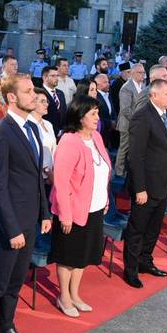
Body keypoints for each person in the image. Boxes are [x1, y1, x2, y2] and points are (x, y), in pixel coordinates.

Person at [0, 74, 52, 333]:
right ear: (11, 97)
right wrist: (12, 229)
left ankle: (5, 327)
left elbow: (36, 177)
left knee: (17, 280)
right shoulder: (0, 133)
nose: (35, 95)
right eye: (28, 91)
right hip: (9, 226)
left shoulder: (32, 128)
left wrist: (44, 213)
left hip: (30, 220)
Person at [49, 96, 111, 315]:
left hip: (94, 208)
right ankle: (64, 297)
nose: (97, 117)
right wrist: (65, 215)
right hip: (73, 211)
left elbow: (103, 170)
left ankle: (75, 294)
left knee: (83, 256)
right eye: (92, 113)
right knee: (69, 256)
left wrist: (105, 198)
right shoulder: (69, 141)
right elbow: (61, 182)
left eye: (97, 113)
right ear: (80, 116)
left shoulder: (97, 137)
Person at [123, 79, 167, 288]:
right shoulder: (142, 117)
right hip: (146, 187)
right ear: (154, 95)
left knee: (154, 229)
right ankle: (131, 270)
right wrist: (140, 188)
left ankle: (145, 261)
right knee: (137, 230)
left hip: (163, 185)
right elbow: (136, 157)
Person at [30, 89, 57, 184]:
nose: (46, 104)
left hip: (53, 174)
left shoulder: (48, 124)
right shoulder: (28, 125)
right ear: (32, 103)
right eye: (42, 101)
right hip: (39, 178)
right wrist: (49, 173)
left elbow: (54, 149)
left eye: (46, 101)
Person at [40, 65, 67, 136]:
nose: (56, 78)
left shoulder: (60, 93)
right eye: (53, 76)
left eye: (57, 76)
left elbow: (64, 113)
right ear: (44, 78)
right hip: (47, 134)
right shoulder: (39, 93)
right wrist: (56, 131)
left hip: (63, 134)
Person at [94, 72, 117, 147]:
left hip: (110, 132)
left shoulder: (108, 94)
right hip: (101, 131)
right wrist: (110, 123)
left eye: (108, 82)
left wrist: (115, 120)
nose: (108, 84)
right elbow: (98, 116)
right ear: (97, 85)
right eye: (105, 82)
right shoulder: (95, 97)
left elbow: (112, 109)